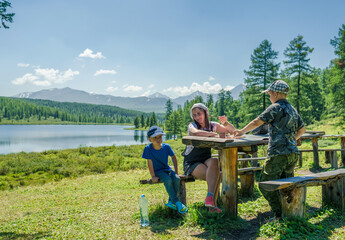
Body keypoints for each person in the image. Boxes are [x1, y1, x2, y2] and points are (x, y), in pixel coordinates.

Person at [234, 80, 306, 217]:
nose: (269, 97)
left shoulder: (275, 107)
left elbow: (257, 122)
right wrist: (291, 140)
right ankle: (290, 214)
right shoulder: (292, 109)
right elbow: (302, 129)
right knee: (286, 184)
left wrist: (241, 132)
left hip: (278, 153)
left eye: (269, 94)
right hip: (293, 153)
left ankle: (279, 213)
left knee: (265, 184)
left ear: (275, 93)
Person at [183, 103, 236, 213]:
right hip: (192, 161)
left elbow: (233, 131)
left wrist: (225, 123)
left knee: (214, 161)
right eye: (194, 115)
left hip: (206, 159)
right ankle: (212, 205)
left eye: (199, 114)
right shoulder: (192, 125)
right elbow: (195, 133)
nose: (197, 117)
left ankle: (210, 199)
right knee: (216, 175)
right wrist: (212, 134)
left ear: (205, 113)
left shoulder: (213, 125)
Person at [142, 126, 188, 214]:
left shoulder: (166, 147)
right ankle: (177, 202)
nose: (158, 139)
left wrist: (176, 172)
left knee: (176, 179)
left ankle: (171, 201)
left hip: (167, 169)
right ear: (150, 139)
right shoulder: (148, 149)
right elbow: (150, 163)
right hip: (158, 172)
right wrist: (153, 176)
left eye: (160, 136)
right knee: (168, 179)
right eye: (155, 137)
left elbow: (174, 157)